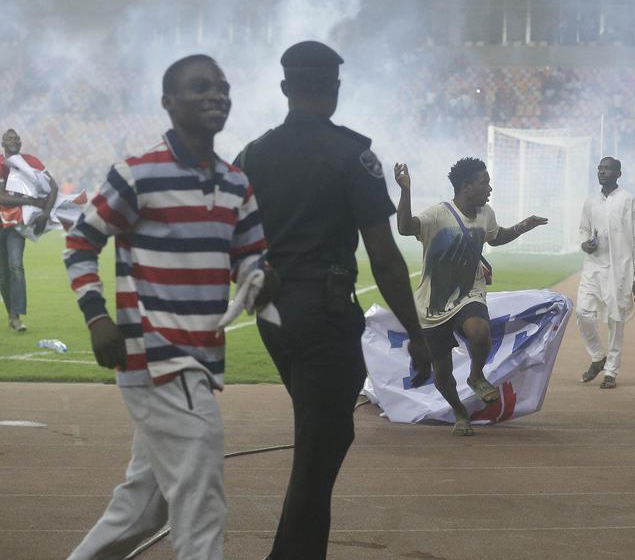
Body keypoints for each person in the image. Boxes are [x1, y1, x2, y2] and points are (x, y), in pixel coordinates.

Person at [63, 55, 272, 559]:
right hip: (156, 358)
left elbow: (250, 264)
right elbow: (80, 243)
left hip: (198, 363)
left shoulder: (235, 184)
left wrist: (261, 281)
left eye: (222, 87)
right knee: (202, 505)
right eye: (199, 87)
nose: (215, 96)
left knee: (143, 506)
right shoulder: (137, 175)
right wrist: (96, 318)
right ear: (168, 103)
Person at [236, 41, 433, 560]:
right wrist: (416, 333)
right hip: (324, 311)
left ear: (284, 88)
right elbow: (385, 257)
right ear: (336, 89)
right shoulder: (353, 154)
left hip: (273, 313)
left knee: (320, 441)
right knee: (320, 452)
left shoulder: (253, 155)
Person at [396, 156, 548, 434]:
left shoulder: (485, 212)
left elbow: (496, 236)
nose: (489, 188)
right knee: (442, 373)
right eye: (484, 183)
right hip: (433, 304)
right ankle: (459, 411)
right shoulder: (437, 215)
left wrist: (525, 225)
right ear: (466, 186)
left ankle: (476, 375)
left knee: (480, 332)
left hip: (469, 293)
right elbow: (405, 228)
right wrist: (405, 190)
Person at [577, 157, 635, 390]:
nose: (602, 172)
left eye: (607, 169)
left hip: (620, 269)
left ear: (618, 173)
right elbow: (584, 229)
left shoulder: (629, 201)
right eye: (600, 168)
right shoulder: (591, 201)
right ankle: (598, 357)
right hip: (593, 266)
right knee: (583, 312)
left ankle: (611, 371)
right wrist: (585, 243)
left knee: (615, 320)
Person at [0, 129, 56, 332]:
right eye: (9, 139)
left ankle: (16, 317)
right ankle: (11, 314)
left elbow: (54, 187)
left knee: (16, 266)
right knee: (3, 274)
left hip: (17, 224)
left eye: (16, 139)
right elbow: (1, 198)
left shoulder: (30, 161)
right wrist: (30, 200)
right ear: (3, 143)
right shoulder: (0, 164)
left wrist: (46, 213)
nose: (13, 141)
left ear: (21, 143)